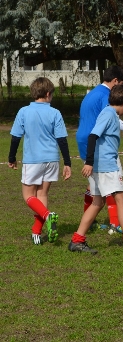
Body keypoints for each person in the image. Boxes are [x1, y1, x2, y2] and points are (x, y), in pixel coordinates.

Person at [68, 85, 123, 255]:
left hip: (102, 165)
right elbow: (93, 136)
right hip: (106, 166)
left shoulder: (109, 113)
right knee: (121, 200)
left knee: (97, 202)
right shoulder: (108, 114)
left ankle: (77, 240)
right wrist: (89, 162)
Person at [75, 65, 123, 233]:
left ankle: (83, 231)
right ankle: (117, 223)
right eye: (121, 84)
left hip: (85, 140)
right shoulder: (106, 96)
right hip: (100, 145)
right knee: (116, 187)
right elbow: (110, 117)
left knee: (95, 188)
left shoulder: (92, 93)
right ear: (115, 81)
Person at [8, 77, 72, 245]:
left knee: (28, 196)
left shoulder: (24, 111)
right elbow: (62, 140)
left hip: (33, 160)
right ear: (48, 94)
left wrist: (11, 157)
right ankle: (36, 231)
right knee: (42, 194)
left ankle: (47, 216)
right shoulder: (55, 112)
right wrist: (67, 163)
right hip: (52, 159)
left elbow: (15, 138)